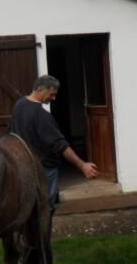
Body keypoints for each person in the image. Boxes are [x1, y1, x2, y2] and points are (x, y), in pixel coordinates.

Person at [8, 74, 100, 212]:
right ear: (41, 89)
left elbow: (11, 132)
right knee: (45, 209)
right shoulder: (41, 115)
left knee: (28, 209)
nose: (54, 98)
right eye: (52, 94)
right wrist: (82, 165)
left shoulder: (19, 105)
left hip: (23, 167)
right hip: (44, 169)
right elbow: (60, 145)